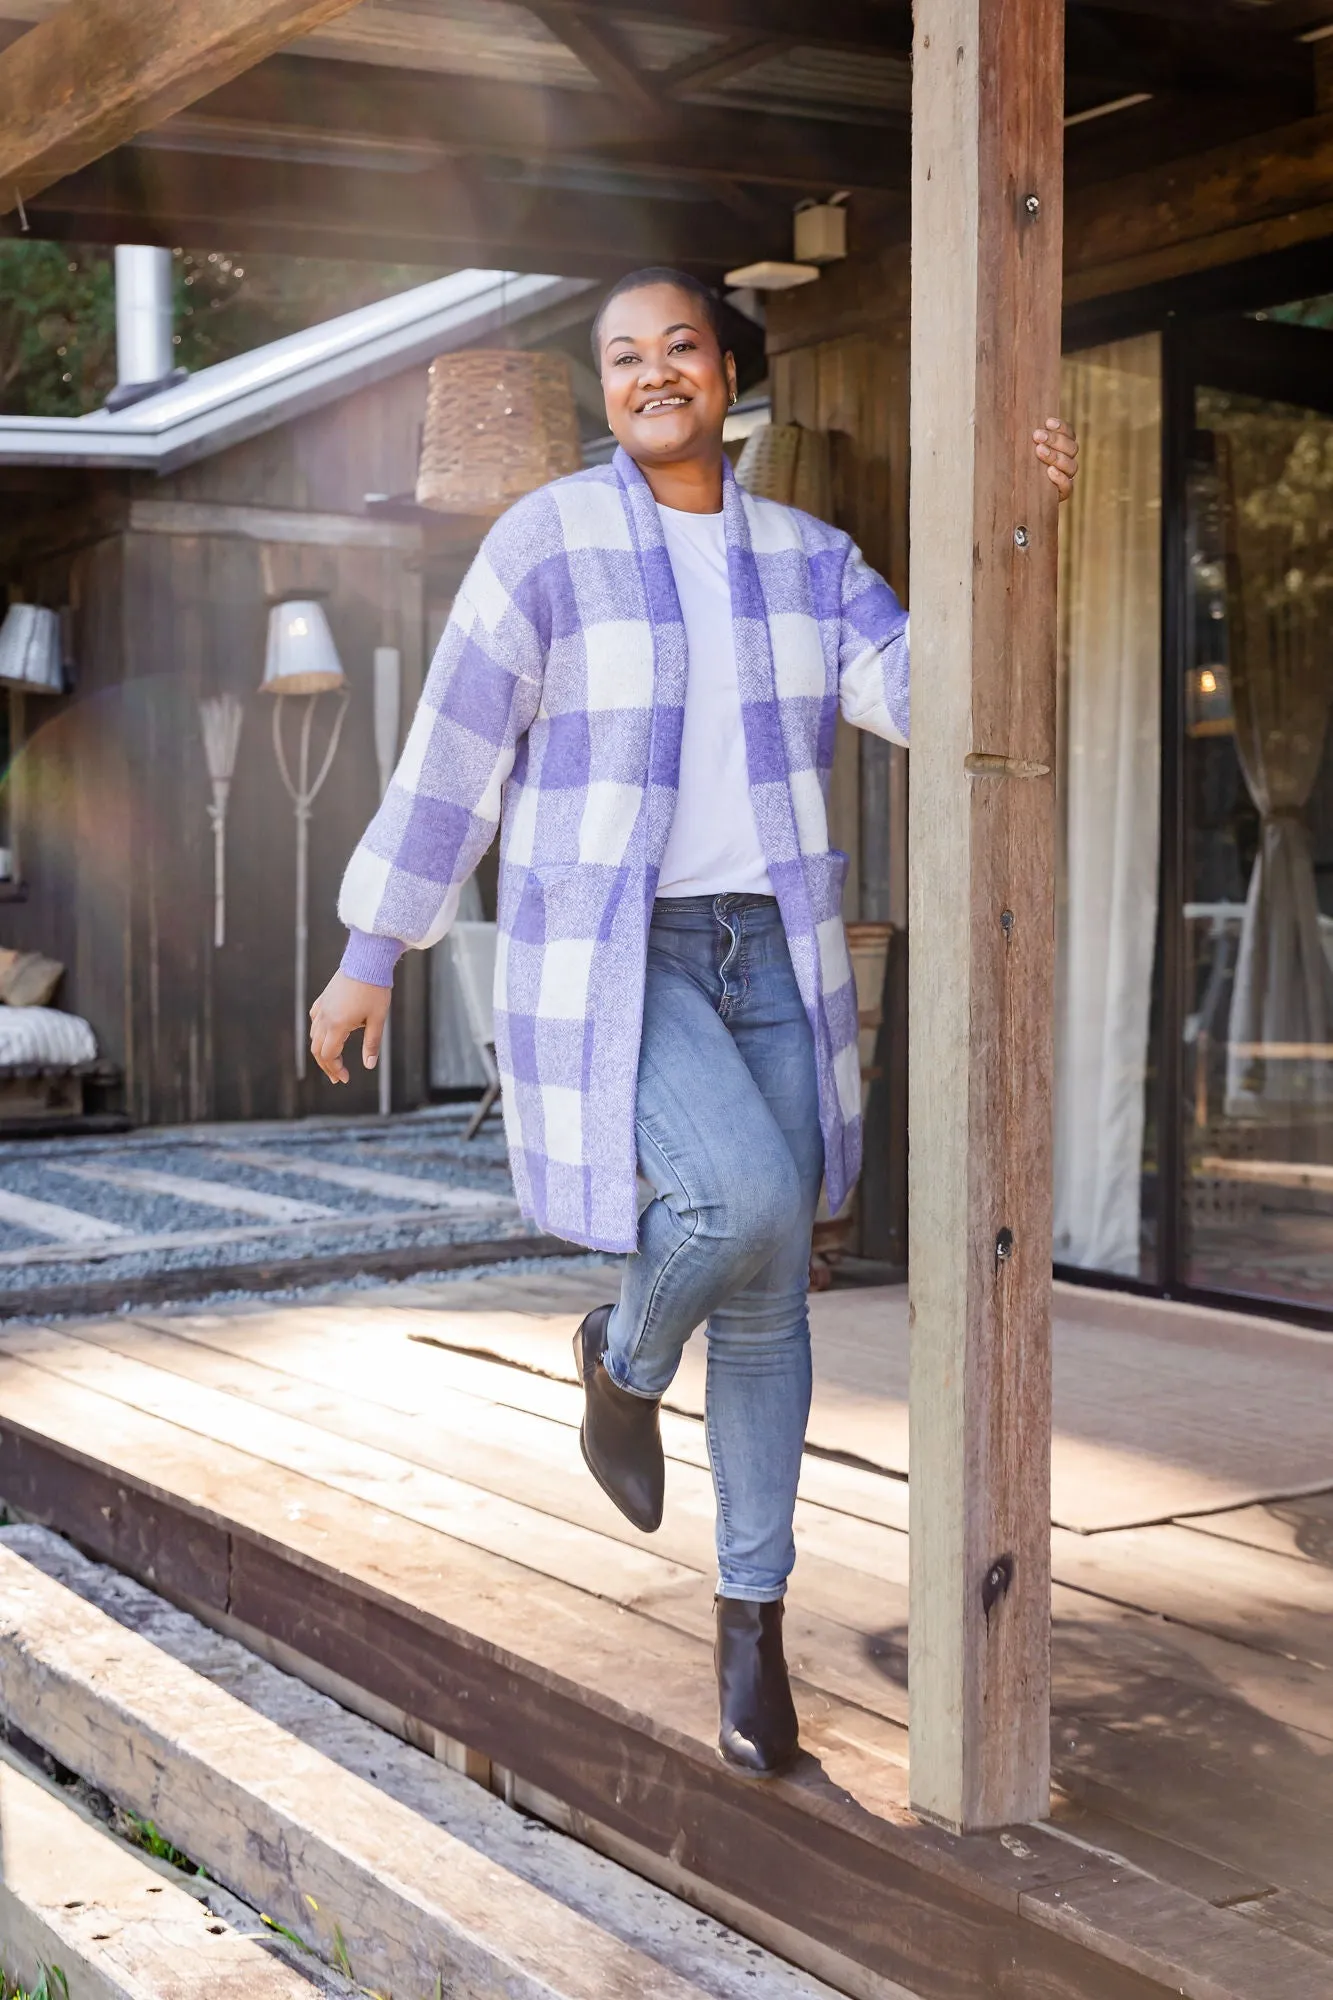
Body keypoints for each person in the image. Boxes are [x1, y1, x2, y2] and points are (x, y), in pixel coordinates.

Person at [310, 267, 1079, 1780]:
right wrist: (371, 947)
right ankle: (621, 1355)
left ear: (731, 374)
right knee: (746, 1202)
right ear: (604, 390)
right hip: (617, 952)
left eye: (680, 348)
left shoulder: (809, 560)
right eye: (622, 356)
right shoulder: (547, 544)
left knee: (778, 1291)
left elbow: (939, 693)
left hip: (771, 953)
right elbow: (456, 743)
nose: (654, 372)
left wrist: (1024, 527)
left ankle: (751, 1632)